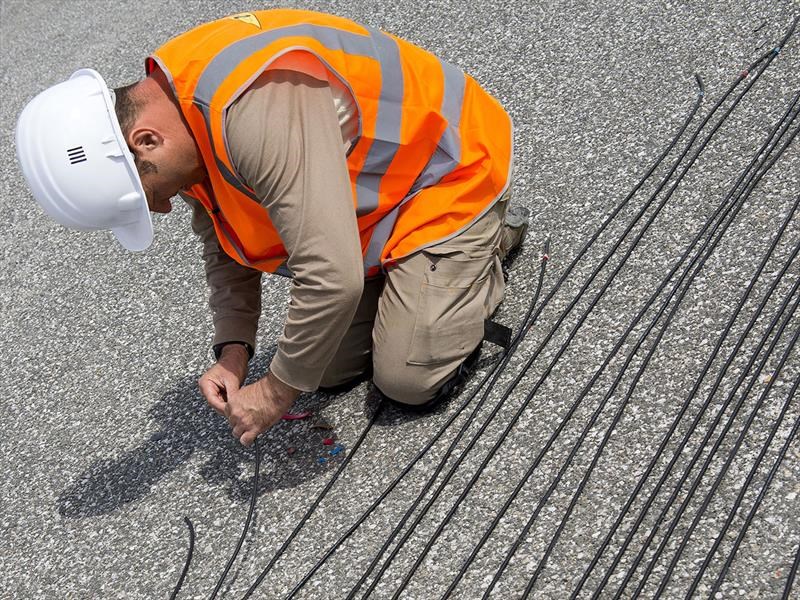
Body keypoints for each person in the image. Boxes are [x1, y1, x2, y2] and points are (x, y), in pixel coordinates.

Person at [16, 9, 529, 447]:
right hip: (369, 203)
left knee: (406, 378)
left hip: (441, 175)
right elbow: (224, 234)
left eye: (150, 197)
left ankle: (485, 240)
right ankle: (417, 284)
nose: (164, 209)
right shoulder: (171, 110)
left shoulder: (252, 111)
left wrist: (276, 392)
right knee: (324, 369)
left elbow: (331, 277)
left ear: (144, 141)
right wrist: (234, 349)